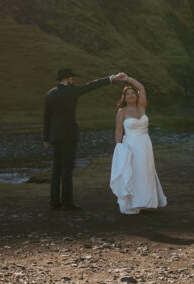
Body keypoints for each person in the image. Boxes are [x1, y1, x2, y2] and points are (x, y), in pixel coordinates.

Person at [43, 68, 126, 210]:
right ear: (67, 79)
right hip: (69, 135)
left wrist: (46, 138)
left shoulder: (50, 94)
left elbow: (47, 117)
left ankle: (54, 201)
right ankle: (67, 202)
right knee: (67, 170)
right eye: (72, 79)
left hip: (55, 135)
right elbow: (91, 86)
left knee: (56, 169)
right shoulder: (71, 91)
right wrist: (111, 78)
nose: (74, 81)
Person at [109, 75, 167, 214]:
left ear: (136, 95)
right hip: (130, 145)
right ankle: (134, 202)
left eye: (133, 93)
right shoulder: (122, 112)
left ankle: (147, 201)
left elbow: (142, 87)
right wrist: (118, 146)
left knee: (146, 171)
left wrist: (127, 78)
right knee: (133, 172)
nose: (131, 96)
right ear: (124, 97)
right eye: (127, 94)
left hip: (145, 144)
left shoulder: (142, 107)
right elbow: (119, 129)